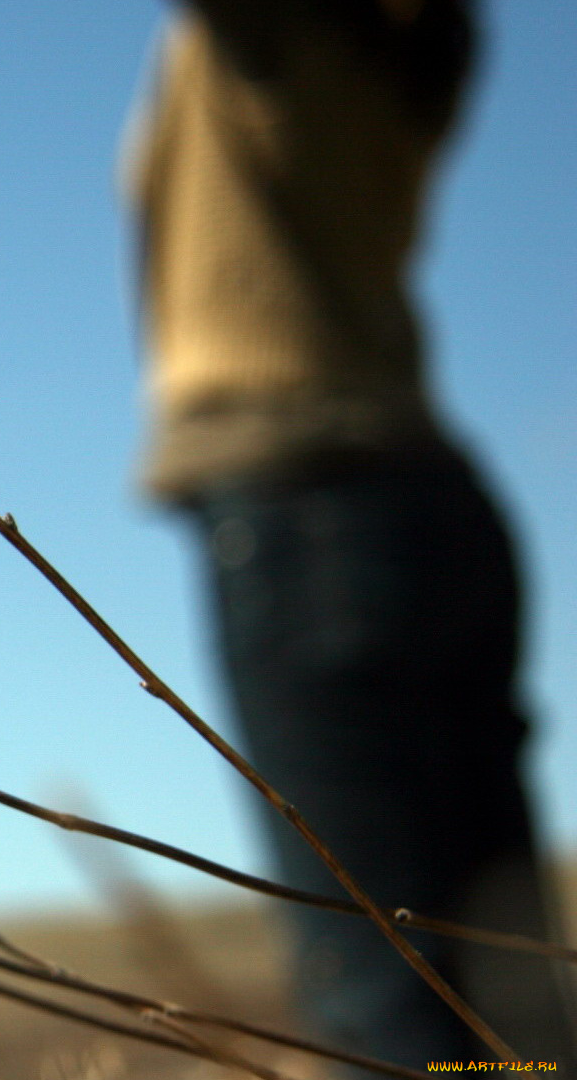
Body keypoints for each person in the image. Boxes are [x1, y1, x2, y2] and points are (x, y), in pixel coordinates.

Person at [124, 0, 575, 1068]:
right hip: (436, 511)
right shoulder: (424, 47)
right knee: (515, 1002)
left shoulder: (280, 35)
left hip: (304, 516)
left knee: (385, 1005)